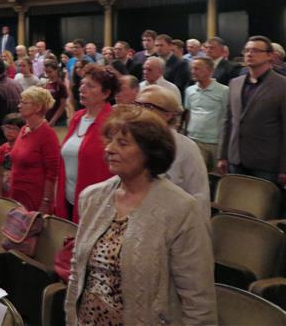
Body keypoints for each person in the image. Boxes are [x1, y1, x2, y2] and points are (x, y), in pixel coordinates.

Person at [65, 105, 216, 325]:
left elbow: (198, 300)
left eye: (123, 143)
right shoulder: (93, 198)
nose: (110, 149)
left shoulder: (181, 210)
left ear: (150, 153)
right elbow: (77, 273)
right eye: (110, 140)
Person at [219, 35, 286, 188]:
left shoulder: (282, 85)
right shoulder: (235, 83)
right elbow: (228, 121)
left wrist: (284, 166)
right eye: (247, 50)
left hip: (266, 162)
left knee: (262, 209)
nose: (249, 54)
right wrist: (223, 155)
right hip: (236, 158)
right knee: (235, 206)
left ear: (270, 55)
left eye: (255, 50)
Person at [135, 85, 210, 218]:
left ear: (168, 115)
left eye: (148, 107)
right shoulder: (130, 142)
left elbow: (199, 196)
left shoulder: (187, 148)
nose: (140, 111)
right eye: (137, 105)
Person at [54, 64, 117, 222]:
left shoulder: (114, 122)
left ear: (106, 93)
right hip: (69, 199)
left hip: (97, 205)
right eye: (82, 84)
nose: (82, 89)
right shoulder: (77, 117)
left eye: (90, 86)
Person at [9, 86, 60, 212]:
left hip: (34, 198)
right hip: (17, 193)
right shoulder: (23, 130)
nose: (19, 106)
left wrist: (46, 202)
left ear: (38, 107)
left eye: (24, 102)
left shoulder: (48, 135)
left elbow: (52, 173)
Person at [183, 58, 228, 171]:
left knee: (216, 178)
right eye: (192, 68)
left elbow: (227, 117)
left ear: (209, 71)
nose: (193, 71)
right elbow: (188, 113)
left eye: (197, 69)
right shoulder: (189, 90)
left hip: (215, 142)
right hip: (194, 140)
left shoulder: (224, 91)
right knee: (196, 175)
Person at [0, 113, 24, 197]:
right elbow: (0, 173)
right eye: (7, 127)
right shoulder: (2, 148)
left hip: (18, 191)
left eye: (14, 129)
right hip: (5, 191)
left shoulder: (23, 149)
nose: (10, 131)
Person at [43, 60, 68, 127]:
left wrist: (53, 120)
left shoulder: (60, 85)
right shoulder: (47, 83)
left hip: (59, 119)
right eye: (46, 72)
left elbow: (62, 105)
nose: (48, 74)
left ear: (56, 71)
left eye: (50, 72)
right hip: (48, 116)